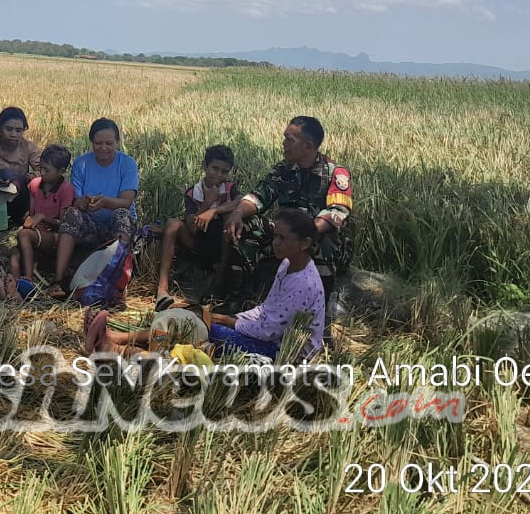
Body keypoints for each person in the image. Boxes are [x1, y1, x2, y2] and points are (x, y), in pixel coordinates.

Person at [88, 208, 327, 361]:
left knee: (193, 329)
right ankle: (119, 339)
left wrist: (226, 320)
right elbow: (265, 310)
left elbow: (269, 331)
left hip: (281, 354)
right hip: (266, 338)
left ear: (304, 243)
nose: (275, 243)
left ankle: (122, 348)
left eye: (282, 238)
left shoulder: (303, 284)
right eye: (275, 236)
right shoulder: (288, 265)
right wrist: (230, 318)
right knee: (187, 317)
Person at [224, 115, 353, 300]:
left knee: (326, 238)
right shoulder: (283, 169)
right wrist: (237, 212)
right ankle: (240, 297)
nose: (283, 144)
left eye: (289, 140)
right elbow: (259, 196)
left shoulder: (335, 173)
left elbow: (338, 212)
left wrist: (303, 233)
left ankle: (320, 306)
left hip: (313, 235)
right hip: (284, 234)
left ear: (307, 145)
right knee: (246, 224)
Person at [46, 118, 138, 299]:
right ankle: (58, 280)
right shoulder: (82, 163)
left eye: (109, 143)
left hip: (116, 223)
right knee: (72, 215)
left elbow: (126, 201)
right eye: (98, 143)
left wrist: (105, 203)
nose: (103, 148)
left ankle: (115, 281)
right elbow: (76, 200)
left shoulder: (127, 164)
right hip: (91, 223)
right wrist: (83, 203)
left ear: (118, 142)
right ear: (91, 142)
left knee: (121, 214)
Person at [154, 144, 238, 311]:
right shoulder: (193, 193)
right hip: (198, 242)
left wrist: (215, 209)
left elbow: (240, 202)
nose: (219, 175)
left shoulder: (229, 189)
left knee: (230, 218)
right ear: (204, 166)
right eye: (215, 169)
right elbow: (191, 227)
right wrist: (207, 202)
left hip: (222, 245)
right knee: (172, 224)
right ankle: (162, 289)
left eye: (224, 171)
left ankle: (218, 283)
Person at [10, 144, 75, 284]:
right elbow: (32, 213)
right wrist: (30, 220)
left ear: (61, 171)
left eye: (47, 170)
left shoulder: (66, 189)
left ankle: (28, 278)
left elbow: (64, 225)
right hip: (36, 233)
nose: (42, 172)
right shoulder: (34, 185)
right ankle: (15, 285)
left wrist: (43, 218)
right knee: (14, 254)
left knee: (23, 235)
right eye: (41, 168)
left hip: (54, 236)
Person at [0, 106, 43, 226]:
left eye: (18, 130)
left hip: (19, 195)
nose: (13, 134)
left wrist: (25, 178)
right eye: (9, 129)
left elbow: (45, 170)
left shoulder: (28, 147)